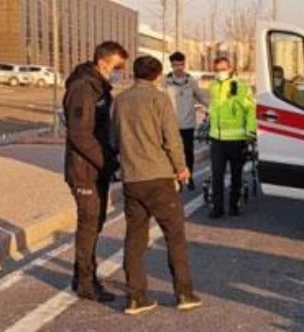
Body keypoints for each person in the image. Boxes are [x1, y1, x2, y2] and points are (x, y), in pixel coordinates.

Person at [110, 55, 201, 316]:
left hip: (132, 178)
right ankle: (184, 293)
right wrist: (181, 168)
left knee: (135, 238)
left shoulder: (120, 101)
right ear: (157, 75)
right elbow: (172, 138)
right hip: (159, 177)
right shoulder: (159, 99)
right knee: (174, 235)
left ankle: (136, 297)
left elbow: (114, 139)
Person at [63, 41, 129, 303]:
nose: (120, 72)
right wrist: (107, 162)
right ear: (103, 63)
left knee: (95, 223)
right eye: (118, 67)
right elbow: (80, 134)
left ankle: (82, 276)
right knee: (89, 225)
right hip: (84, 170)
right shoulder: (83, 88)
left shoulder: (98, 86)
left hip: (96, 167)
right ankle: (86, 283)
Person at [206, 56, 257, 218]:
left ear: (230, 68)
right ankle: (217, 208)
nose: (220, 72)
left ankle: (234, 205)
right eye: (217, 69)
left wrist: (251, 132)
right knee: (217, 175)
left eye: (223, 69)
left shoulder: (240, 87)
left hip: (236, 139)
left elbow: (251, 110)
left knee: (236, 174)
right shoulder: (213, 87)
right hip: (217, 139)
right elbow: (214, 108)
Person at [165, 51, 209, 191]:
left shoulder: (191, 81)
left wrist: (213, 107)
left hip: (188, 124)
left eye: (181, 65)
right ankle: (176, 178)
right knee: (171, 152)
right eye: (175, 65)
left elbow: (201, 97)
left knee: (187, 152)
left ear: (184, 65)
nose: (178, 68)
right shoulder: (165, 81)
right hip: (170, 124)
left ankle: (188, 176)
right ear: (171, 65)